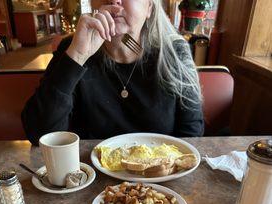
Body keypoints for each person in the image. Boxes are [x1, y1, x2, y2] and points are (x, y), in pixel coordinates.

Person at [22, 0, 204, 146]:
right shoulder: (73, 49)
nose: (114, 1)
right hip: (90, 179)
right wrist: (77, 56)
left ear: (149, 7)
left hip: (158, 181)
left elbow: (191, 133)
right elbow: (39, 135)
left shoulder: (174, 51)